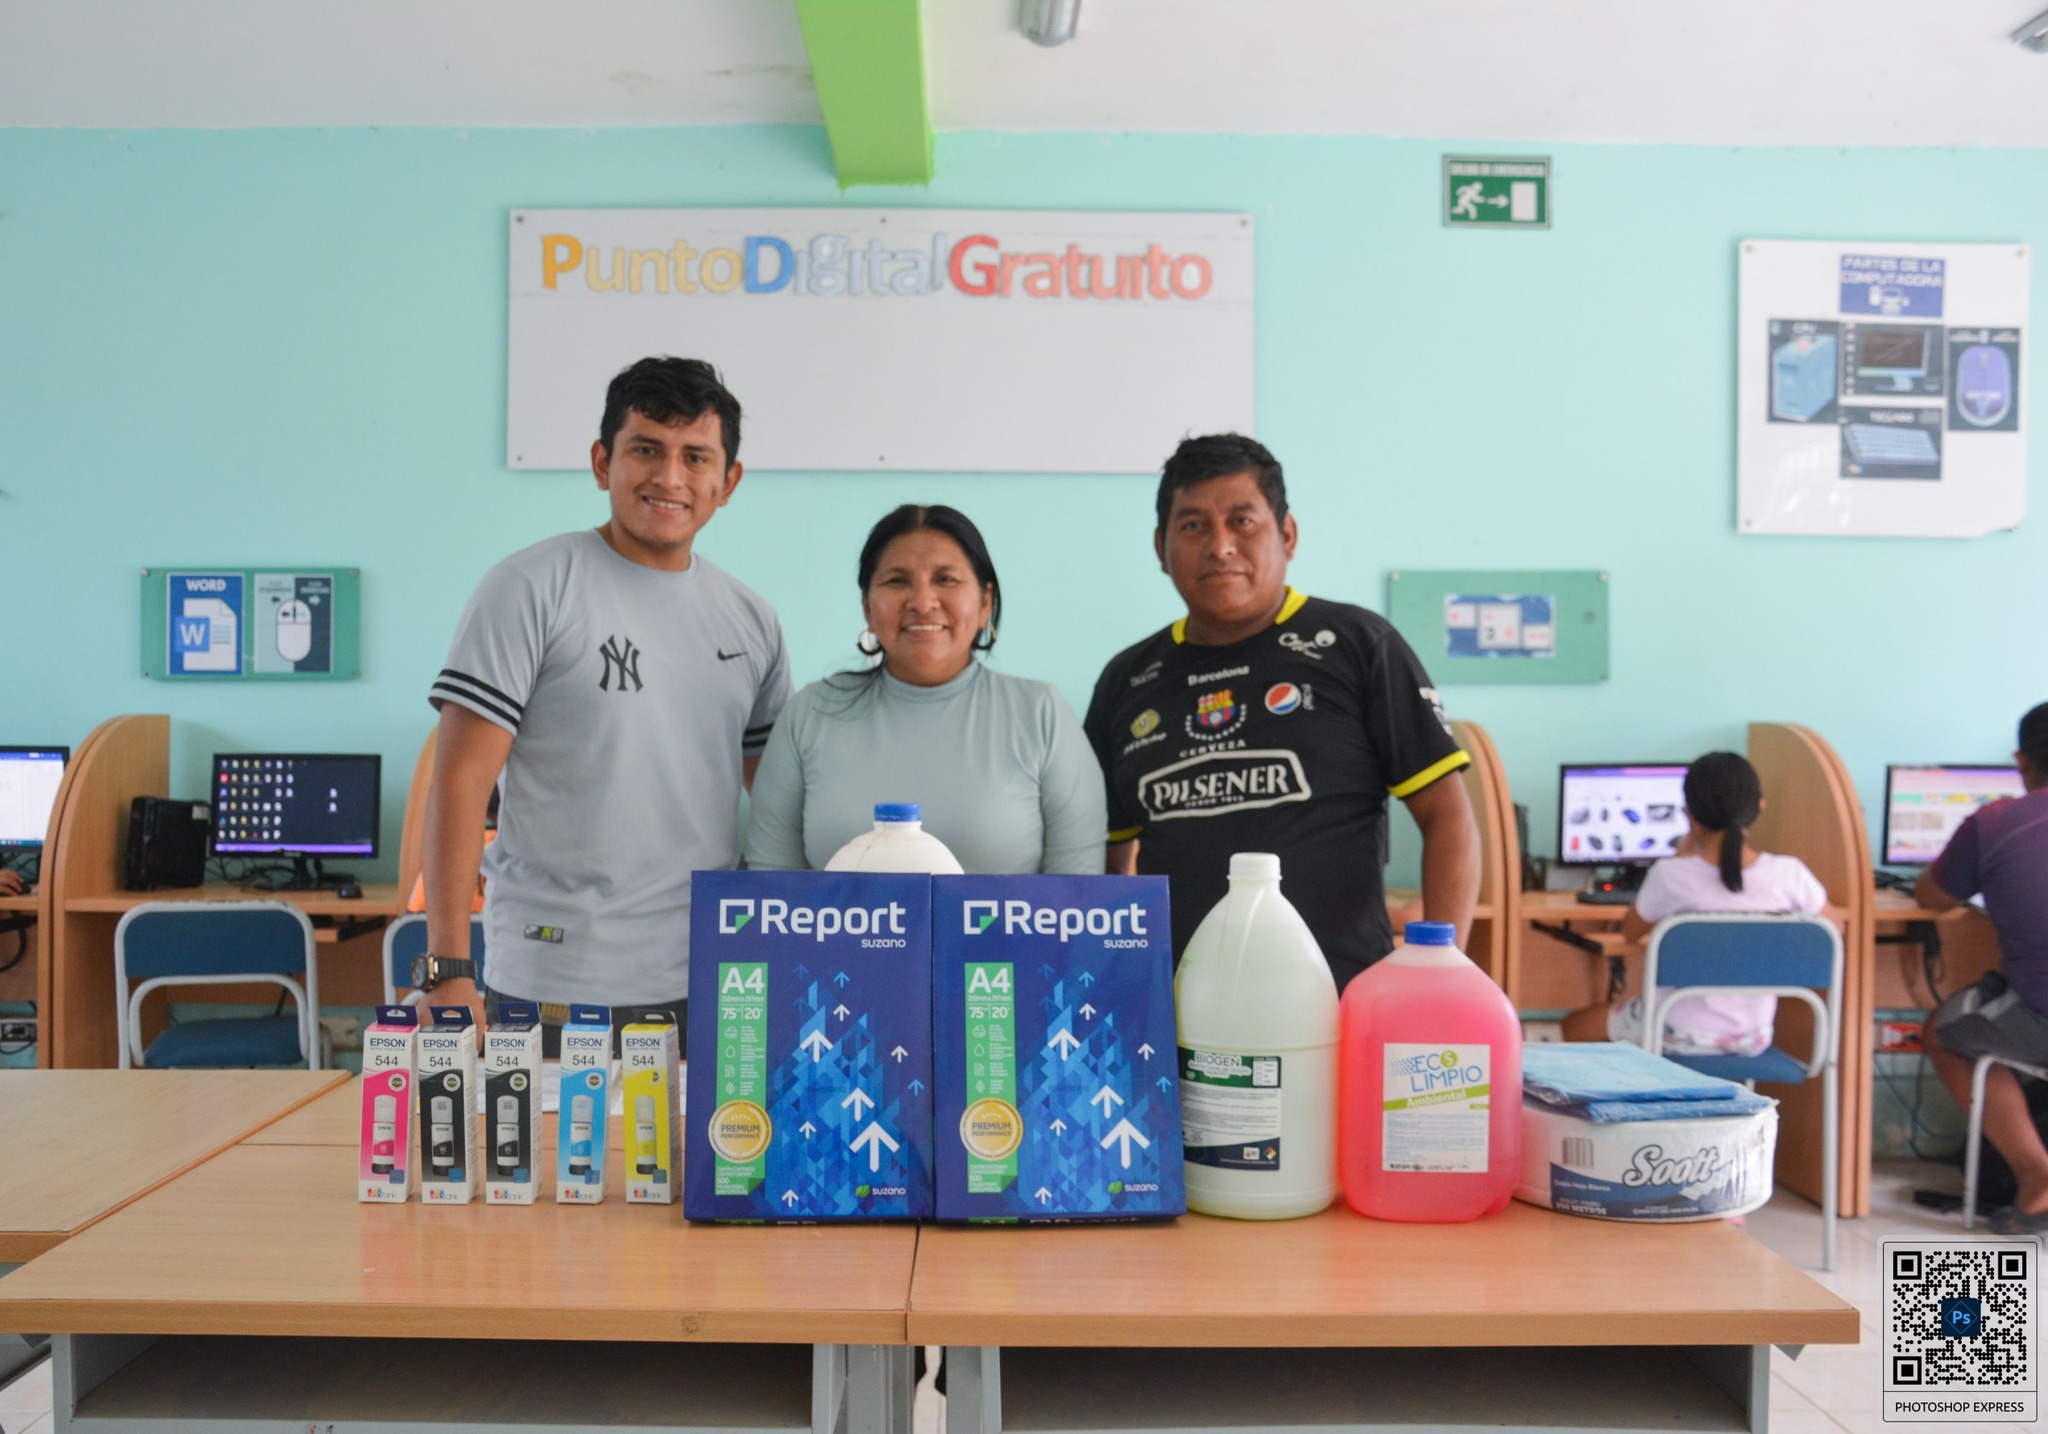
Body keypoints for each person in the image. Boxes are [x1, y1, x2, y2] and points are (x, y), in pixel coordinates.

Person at [419, 357, 790, 1053]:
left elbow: (776, 799)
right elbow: (460, 784)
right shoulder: (529, 587)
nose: (669, 477)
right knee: (543, 1135)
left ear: (728, 482)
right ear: (602, 463)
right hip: (552, 980)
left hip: (707, 976)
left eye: (695, 457)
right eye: (646, 449)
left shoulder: (751, 620)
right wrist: (447, 970)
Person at [1082, 433, 1479, 993]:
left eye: (1242, 521)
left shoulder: (1359, 645)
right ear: (1160, 548)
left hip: (1337, 1001)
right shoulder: (1127, 679)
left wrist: (1441, 973)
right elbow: (1108, 854)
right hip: (1177, 1006)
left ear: (1287, 534)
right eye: (1193, 525)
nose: (1220, 546)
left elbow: (1447, 814)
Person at [746, 504, 1104, 875]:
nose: (921, 602)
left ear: (985, 603)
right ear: (867, 607)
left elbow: (1080, 894)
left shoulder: (1042, 715)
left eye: (946, 579)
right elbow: (769, 890)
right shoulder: (809, 714)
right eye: (897, 581)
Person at [1562, 752, 1828, 1054]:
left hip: (1673, 1032)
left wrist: (1680, 858)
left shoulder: (1670, 874)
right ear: (1760, 806)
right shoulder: (1790, 875)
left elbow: (1629, 932)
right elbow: (1831, 929)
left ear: (1689, 813)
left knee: (1574, 1025)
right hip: (1753, 1037)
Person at [1918, 702, 2048, 1234]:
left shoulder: (1995, 822)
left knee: (1943, 1033)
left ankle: (2037, 1177)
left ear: (2021, 761)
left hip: (2039, 1018)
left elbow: (1931, 897)